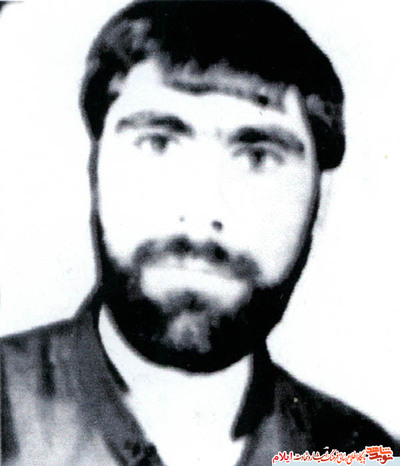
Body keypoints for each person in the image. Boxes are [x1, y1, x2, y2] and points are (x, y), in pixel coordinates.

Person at [1, 1, 398, 465]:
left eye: (257, 158)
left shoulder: (361, 453)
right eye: (158, 144)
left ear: (320, 199)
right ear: (94, 168)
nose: (202, 209)